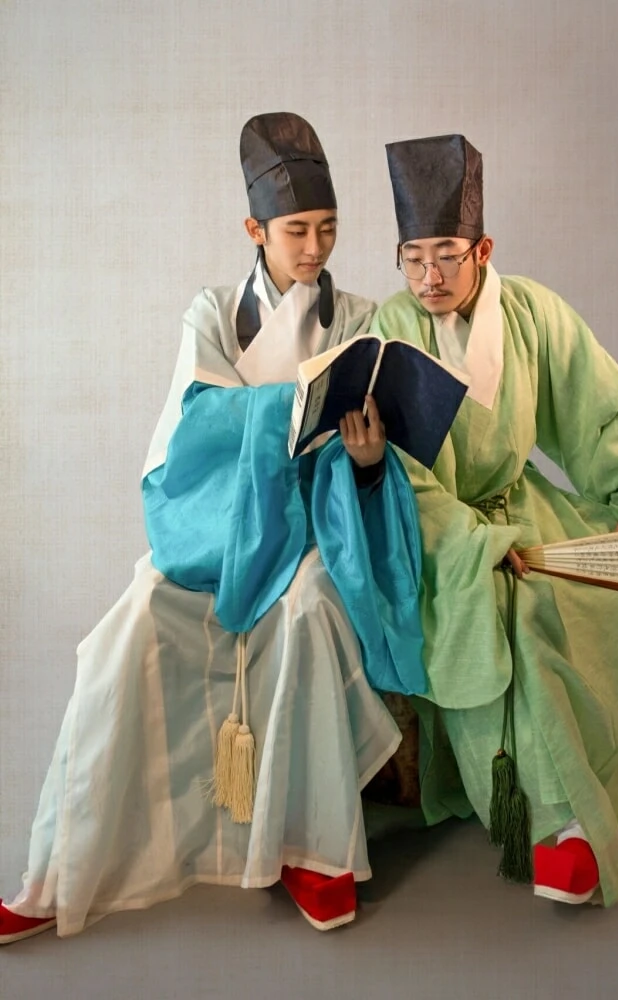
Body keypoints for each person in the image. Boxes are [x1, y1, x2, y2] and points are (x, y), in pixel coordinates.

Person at [0, 112, 426, 943]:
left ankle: (314, 850)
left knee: (307, 611)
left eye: (328, 228)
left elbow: (354, 434)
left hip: (314, 524)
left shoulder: (358, 315)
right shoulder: (212, 314)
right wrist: (286, 406)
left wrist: (366, 458)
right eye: (297, 230)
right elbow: (192, 428)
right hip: (219, 526)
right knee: (130, 623)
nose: (314, 248)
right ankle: (60, 866)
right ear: (254, 229)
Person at [369, 132, 618, 906]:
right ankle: (559, 823)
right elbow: (404, 478)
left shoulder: (531, 312)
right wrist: (477, 546)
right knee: (521, 618)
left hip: (526, 509)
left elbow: (603, 412)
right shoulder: (390, 327)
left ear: (482, 249)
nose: (429, 277)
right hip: (443, 540)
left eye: (446, 255)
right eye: (413, 259)